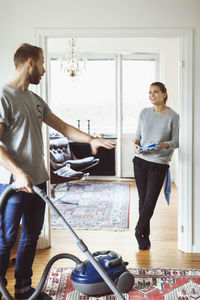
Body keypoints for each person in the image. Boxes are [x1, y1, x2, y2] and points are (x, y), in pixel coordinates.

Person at [0, 43, 116, 300]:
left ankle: (23, 289)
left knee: (31, 237)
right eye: (42, 64)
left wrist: (91, 140)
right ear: (29, 62)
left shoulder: (34, 99)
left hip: (39, 181)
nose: (43, 71)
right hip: (14, 185)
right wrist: (19, 173)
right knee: (6, 238)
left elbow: (63, 127)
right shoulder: (3, 97)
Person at [132, 82, 179, 251]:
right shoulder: (144, 113)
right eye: (150, 92)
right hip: (141, 161)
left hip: (159, 164)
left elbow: (176, 142)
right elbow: (137, 135)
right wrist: (136, 145)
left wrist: (162, 145)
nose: (152, 95)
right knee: (142, 200)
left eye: (156, 92)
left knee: (150, 201)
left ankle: (138, 231)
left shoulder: (173, 116)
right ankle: (144, 237)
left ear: (164, 94)